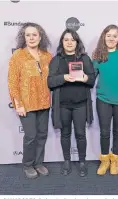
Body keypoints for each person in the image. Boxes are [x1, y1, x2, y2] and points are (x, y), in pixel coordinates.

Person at [47, 29, 95, 177]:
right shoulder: (56, 59)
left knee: (81, 134)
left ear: (77, 42)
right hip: (62, 105)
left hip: (80, 104)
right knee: (65, 134)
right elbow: (50, 82)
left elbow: (92, 80)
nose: (69, 42)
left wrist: (84, 78)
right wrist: (64, 77)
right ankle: (66, 161)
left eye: (72, 40)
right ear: (62, 42)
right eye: (66, 39)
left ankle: (82, 162)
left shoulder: (84, 59)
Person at [8, 22, 52, 179]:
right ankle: (28, 165)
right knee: (30, 136)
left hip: (45, 102)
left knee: (42, 135)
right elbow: (13, 83)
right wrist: (18, 104)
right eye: (28, 35)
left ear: (40, 37)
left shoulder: (47, 56)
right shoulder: (18, 56)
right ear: (24, 37)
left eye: (35, 34)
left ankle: (38, 163)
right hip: (26, 104)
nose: (31, 37)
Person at [92, 24, 118, 175]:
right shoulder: (98, 55)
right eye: (108, 35)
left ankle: (115, 160)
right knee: (104, 131)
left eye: (114, 36)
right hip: (103, 99)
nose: (111, 38)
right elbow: (91, 76)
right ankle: (105, 160)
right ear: (104, 36)